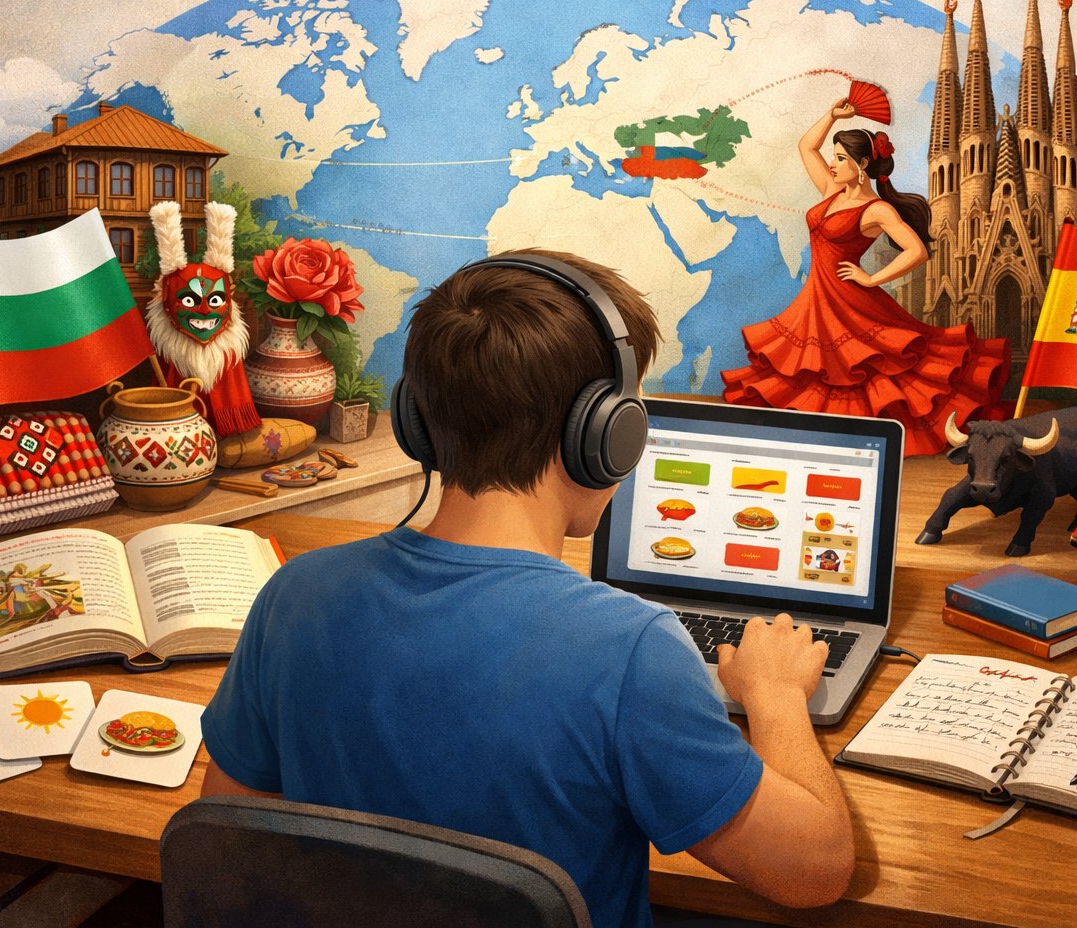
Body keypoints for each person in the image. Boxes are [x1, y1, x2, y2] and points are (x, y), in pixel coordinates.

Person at [201, 248, 854, 925]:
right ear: (605, 436)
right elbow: (815, 871)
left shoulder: (295, 597)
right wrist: (775, 694)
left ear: (418, 420)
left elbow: (226, 835)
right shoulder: (631, 651)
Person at [721, 99, 1010, 455]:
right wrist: (831, 115)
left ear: (861, 166)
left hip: (850, 299)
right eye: (834, 156)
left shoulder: (877, 209)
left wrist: (872, 280)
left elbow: (917, 251)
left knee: (861, 369)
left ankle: (851, 442)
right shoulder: (832, 192)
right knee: (818, 369)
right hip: (817, 298)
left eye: (840, 158)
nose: (832, 163)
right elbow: (806, 146)